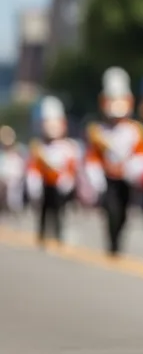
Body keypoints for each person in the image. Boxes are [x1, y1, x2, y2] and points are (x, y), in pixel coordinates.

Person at [85, 67, 143, 255]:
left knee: (123, 212)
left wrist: (132, 169)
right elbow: (93, 158)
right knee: (110, 209)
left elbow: (142, 155)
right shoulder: (97, 131)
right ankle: (111, 241)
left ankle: (118, 238)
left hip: (126, 179)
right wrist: (95, 177)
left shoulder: (135, 130)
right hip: (108, 178)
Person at [26, 96, 80, 244]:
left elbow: (71, 166)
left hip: (60, 185)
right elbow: (34, 168)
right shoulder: (38, 147)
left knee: (59, 210)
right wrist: (34, 183)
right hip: (45, 184)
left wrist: (68, 179)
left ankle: (58, 233)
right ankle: (42, 233)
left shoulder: (68, 147)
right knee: (44, 210)